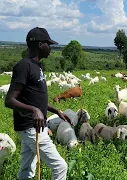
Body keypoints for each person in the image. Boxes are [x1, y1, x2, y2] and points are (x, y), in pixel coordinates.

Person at [4, 27, 74, 180]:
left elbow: (34, 98)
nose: (51, 48)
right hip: (31, 127)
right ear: (40, 45)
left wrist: (56, 111)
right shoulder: (24, 66)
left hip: (36, 125)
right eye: (49, 44)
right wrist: (34, 110)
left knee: (27, 169)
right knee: (61, 166)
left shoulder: (39, 67)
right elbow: (9, 100)